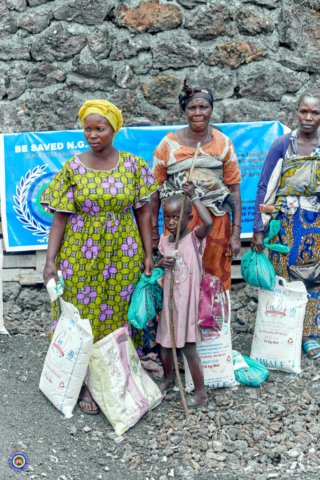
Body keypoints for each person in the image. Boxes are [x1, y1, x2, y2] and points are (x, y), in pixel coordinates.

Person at [41, 99, 157, 413]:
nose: (92, 134)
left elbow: (144, 212)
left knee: (120, 314)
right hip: (80, 253)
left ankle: (119, 378)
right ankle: (83, 384)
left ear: (113, 130)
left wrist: (149, 253)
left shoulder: (133, 165)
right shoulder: (73, 168)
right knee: (81, 316)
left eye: (99, 128)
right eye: (87, 128)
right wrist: (51, 260)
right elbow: (60, 218)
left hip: (124, 253)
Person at [151, 81, 242, 293]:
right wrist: (155, 234)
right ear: (184, 110)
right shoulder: (168, 145)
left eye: (204, 107)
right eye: (192, 107)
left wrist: (235, 234)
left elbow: (234, 190)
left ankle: (213, 326)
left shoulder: (223, 143)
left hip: (216, 224)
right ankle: (182, 326)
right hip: (179, 222)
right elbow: (154, 192)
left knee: (213, 280)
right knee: (179, 279)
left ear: (211, 109)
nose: (198, 112)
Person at [251, 91, 320, 359]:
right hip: (285, 225)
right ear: (296, 112)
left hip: (315, 226)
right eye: (304, 111)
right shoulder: (282, 144)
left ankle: (309, 335)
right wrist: (259, 228)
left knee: (314, 280)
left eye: (315, 113)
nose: (308, 117)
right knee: (283, 278)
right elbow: (264, 186)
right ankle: (280, 332)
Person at [156, 180, 213, 407]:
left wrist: (194, 196)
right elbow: (158, 268)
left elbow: (208, 222)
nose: (170, 222)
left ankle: (200, 393)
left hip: (188, 304)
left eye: (176, 217)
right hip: (170, 304)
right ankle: (169, 379)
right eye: (166, 218)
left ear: (189, 219)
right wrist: (162, 263)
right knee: (164, 344)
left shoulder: (194, 238)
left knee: (188, 347)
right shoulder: (164, 242)